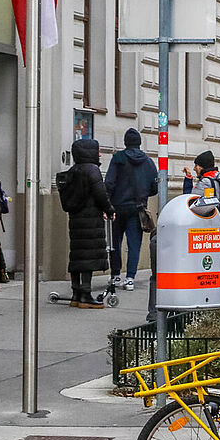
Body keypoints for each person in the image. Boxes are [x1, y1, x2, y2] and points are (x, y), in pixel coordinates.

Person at [59, 138, 115, 308]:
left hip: (76, 219)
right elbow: (100, 193)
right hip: (91, 219)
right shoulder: (92, 170)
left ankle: (76, 294)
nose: (100, 154)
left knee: (77, 255)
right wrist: (109, 209)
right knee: (88, 256)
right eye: (98, 151)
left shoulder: (73, 171)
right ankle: (86, 294)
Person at [103, 127, 158, 291]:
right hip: (137, 208)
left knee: (115, 242)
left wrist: (106, 204)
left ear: (125, 142)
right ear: (139, 143)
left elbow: (109, 183)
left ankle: (116, 275)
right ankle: (130, 278)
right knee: (134, 244)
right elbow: (154, 187)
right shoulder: (148, 161)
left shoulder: (118, 158)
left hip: (117, 207)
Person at [183, 151, 220, 291]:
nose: (195, 168)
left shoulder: (206, 182)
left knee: (212, 263)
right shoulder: (219, 180)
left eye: (196, 165)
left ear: (201, 166)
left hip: (210, 227)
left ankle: (218, 291)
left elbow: (189, 202)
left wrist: (188, 181)